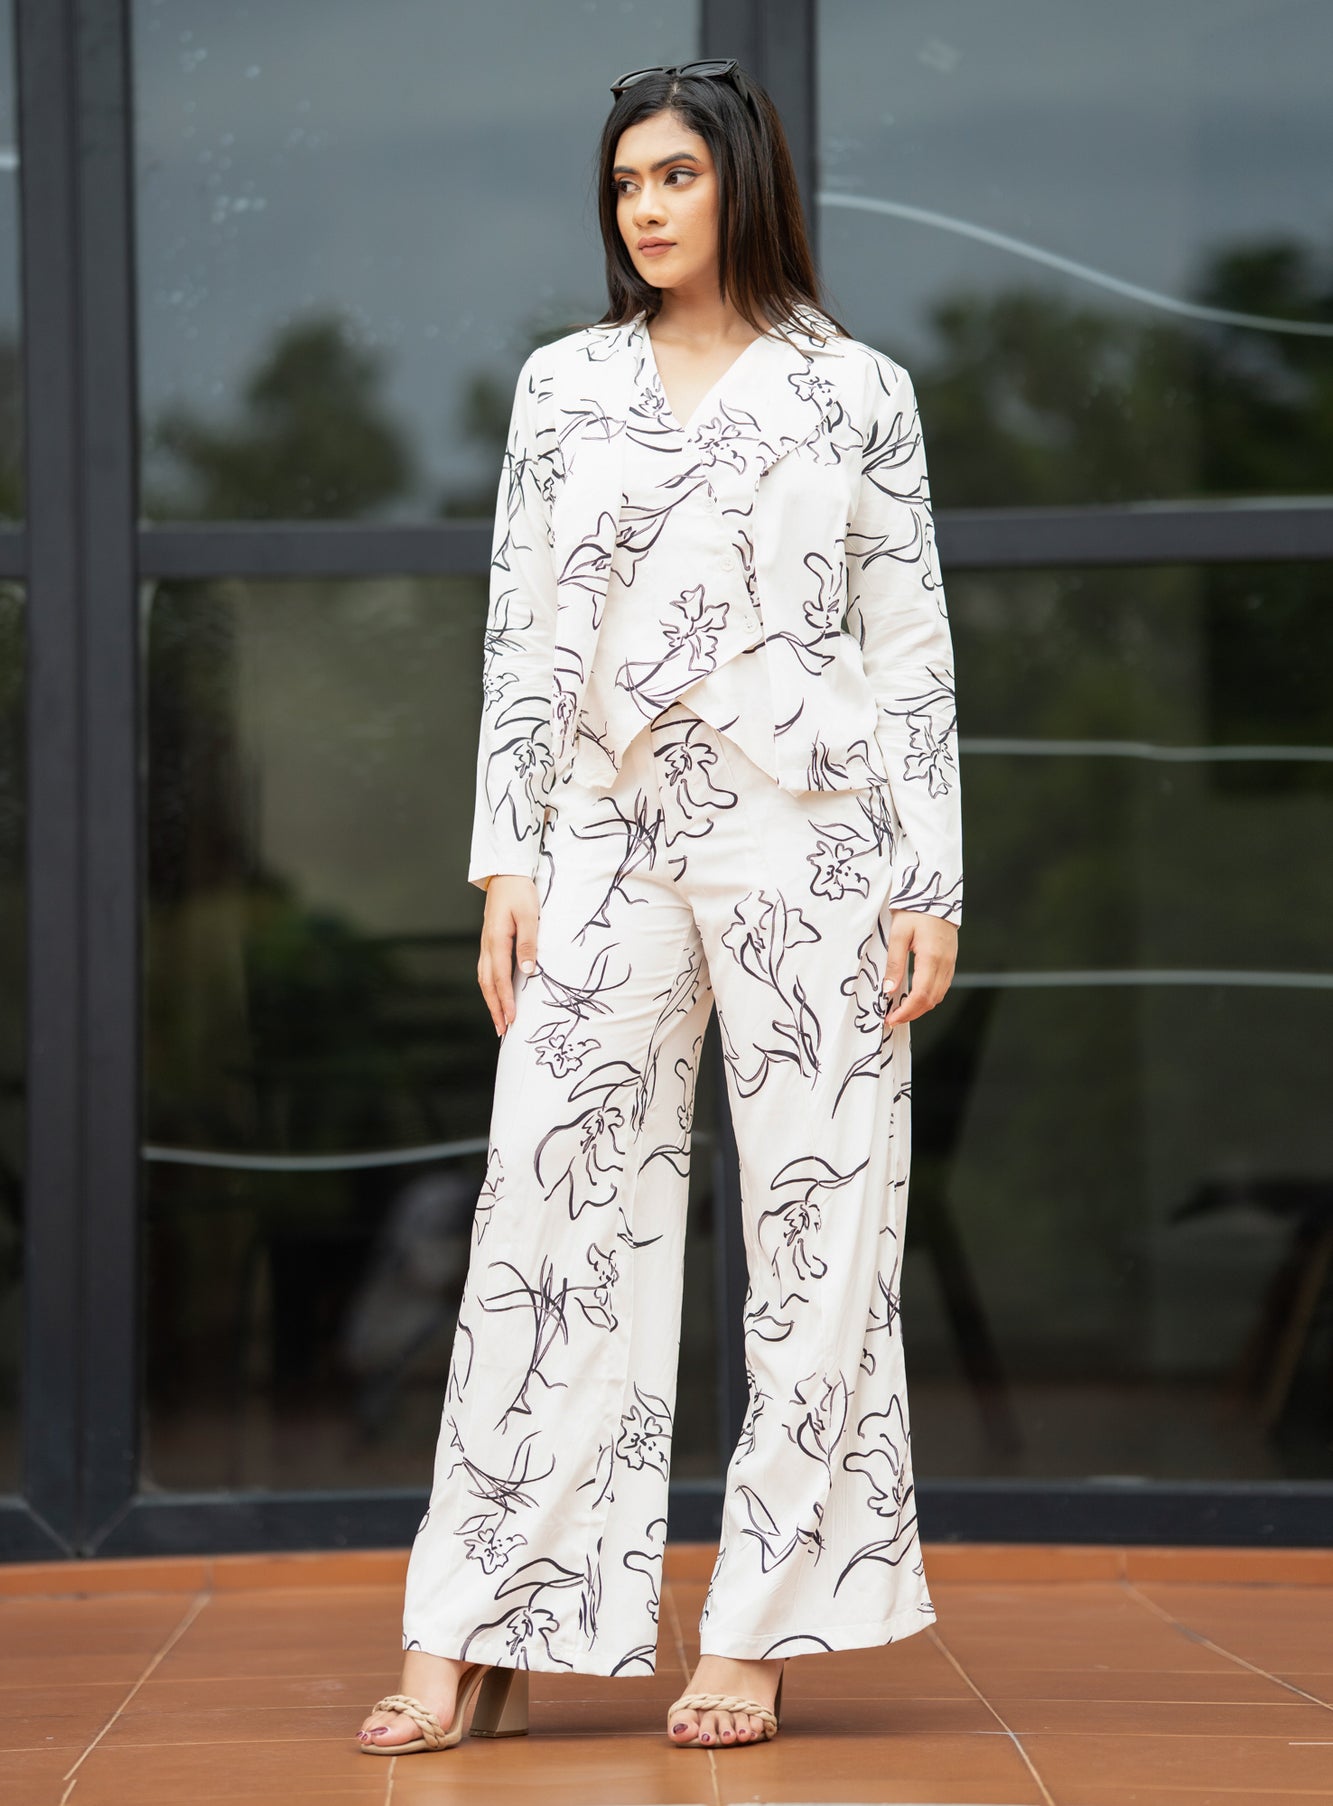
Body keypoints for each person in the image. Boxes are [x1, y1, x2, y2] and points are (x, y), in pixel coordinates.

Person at [358, 55, 961, 1758]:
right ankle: (480, 1618)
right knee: (545, 1207)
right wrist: (506, 857)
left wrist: (928, 878)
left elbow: (908, 643)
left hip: (816, 838)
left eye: (675, 175)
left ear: (739, 185)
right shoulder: (563, 387)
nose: (644, 206)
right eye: (625, 181)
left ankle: (760, 1623)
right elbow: (521, 629)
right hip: (604, 831)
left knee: (819, 1230)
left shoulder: (857, 392)